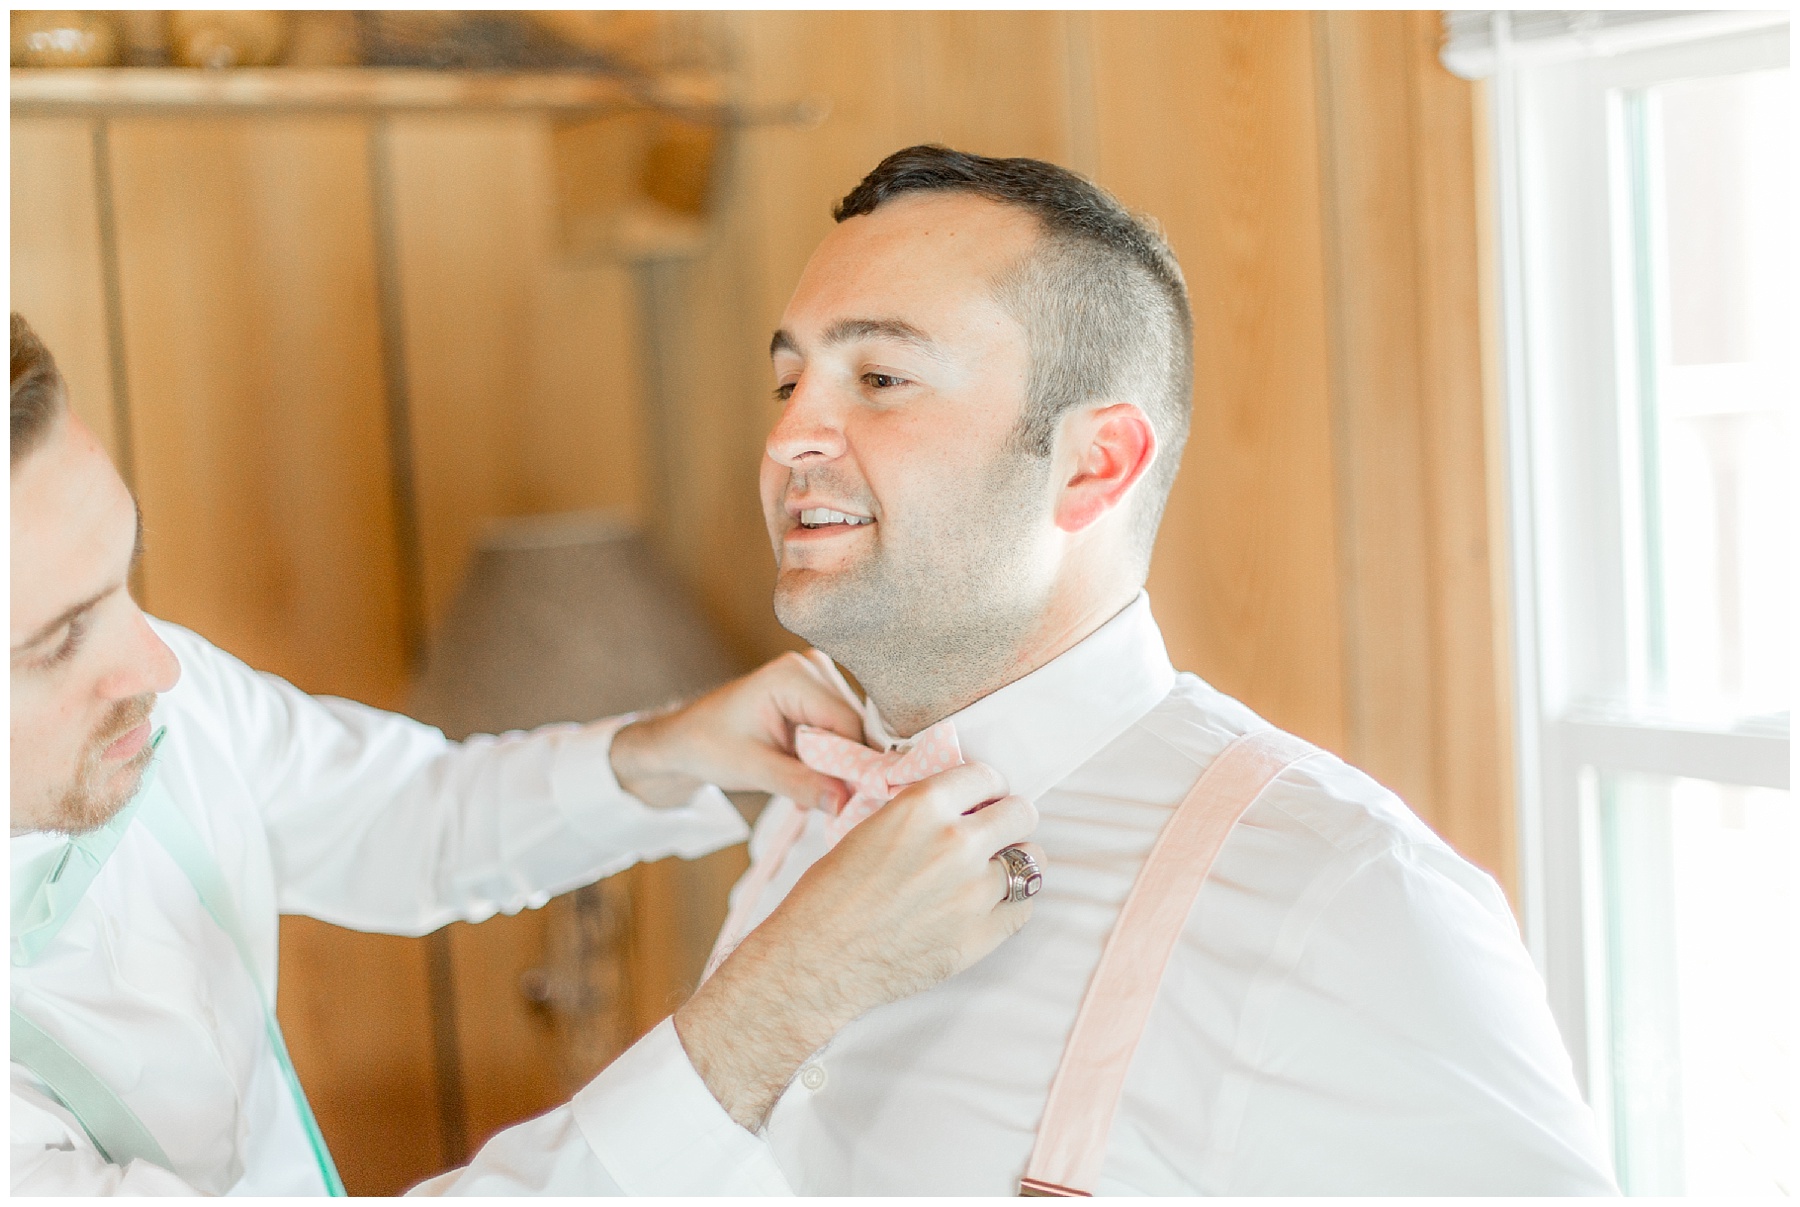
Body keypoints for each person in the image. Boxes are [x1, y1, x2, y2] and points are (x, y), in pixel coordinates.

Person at [702, 146, 1621, 1194]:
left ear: (1095, 464)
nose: (787, 439)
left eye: (879, 379)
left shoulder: (1343, 894)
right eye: (788, 381)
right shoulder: (802, 817)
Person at [9, 311, 1044, 1195]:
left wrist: (662, 753)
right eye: (57, 639)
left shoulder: (145, 688)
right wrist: (786, 999)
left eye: (127, 574)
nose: (160, 666)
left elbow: (397, 813)